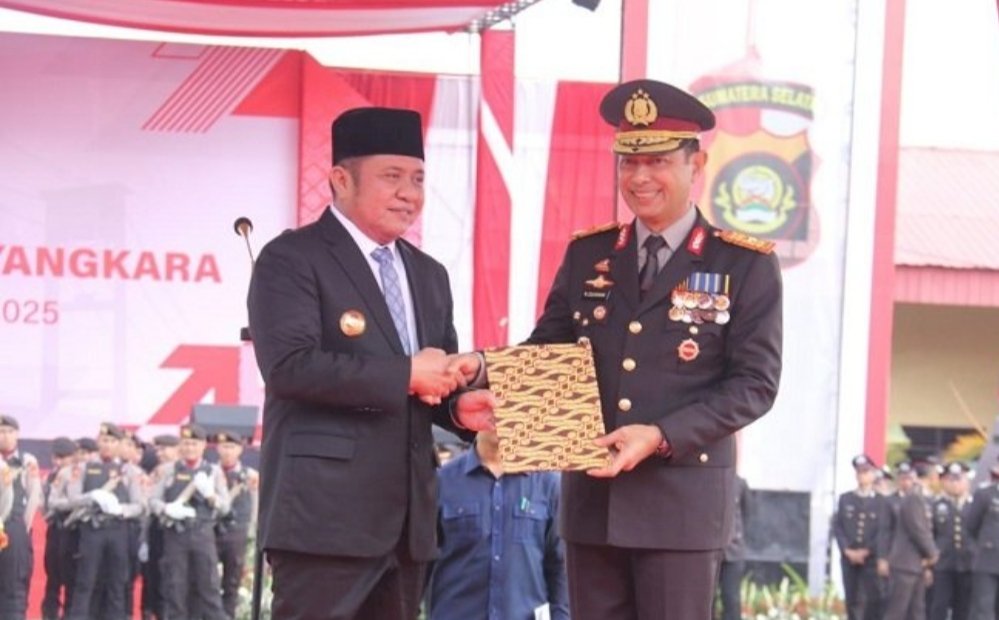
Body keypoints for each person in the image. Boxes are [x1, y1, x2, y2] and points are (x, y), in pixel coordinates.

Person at [456, 79, 783, 620]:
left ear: (697, 165)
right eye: (628, 163)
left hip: (681, 510)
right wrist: (483, 366)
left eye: (657, 162)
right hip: (593, 506)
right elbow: (548, 349)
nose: (639, 177)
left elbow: (755, 386)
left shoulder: (742, 264)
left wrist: (659, 435)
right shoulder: (591, 254)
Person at [247, 106, 487, 619]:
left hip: (408, 525)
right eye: (392, 177)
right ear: (341, 179)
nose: (409, 193)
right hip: (323, 521)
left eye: (418, 179)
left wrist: (458, 410)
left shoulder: (429, 274)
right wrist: (407, 373)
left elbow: (431, 381)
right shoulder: (292, 258)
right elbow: (290, 367)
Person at [427, 430, 569, 620]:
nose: (498, 419)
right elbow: (421, 565)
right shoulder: (442, 482)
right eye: (490, 414)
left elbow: (560, 568)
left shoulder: (548, 484)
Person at [64, 422, 146, 620]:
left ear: (119, 444)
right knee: (85, 581)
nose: (107, 445)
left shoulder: (130, 471)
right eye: (104, 440)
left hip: (118, 529)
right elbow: (72, 498)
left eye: (112, 441)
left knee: (117, 583)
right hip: (92, 529)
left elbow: (140, 505)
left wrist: (121, 510)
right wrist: (91, 496)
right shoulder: (83, 468)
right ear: (98, 442)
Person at [148, 423, 230, 620]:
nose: (189, 448)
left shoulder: (214, 472)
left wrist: (211, 496)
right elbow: (152, 500)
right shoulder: (167, 470)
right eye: (185, 443)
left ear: (203, 446)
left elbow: (225, 508)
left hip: (203, 534)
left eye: (194, 444)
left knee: (208, 588)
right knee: (175, 588)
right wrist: (166, 508)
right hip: (175, 535)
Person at [880, 460, 939, 620]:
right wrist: (932, 553)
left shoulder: (921, 497)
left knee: (916, 612)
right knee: (897, 611)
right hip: (905, 563)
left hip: (916, 564)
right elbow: (918, 530)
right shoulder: (914, 498)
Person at [212, 430, 259, 620]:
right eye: (223, 447)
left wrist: (252, 530)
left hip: (237, 533)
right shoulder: (210, 472)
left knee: (232, 581)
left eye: (231, 447)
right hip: (211, 532)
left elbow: (256, 505)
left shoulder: (250, 475)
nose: (227, 451)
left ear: (240, 450)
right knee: (208, 581)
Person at [0, 414, 43, 620]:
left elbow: (34, 497)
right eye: (1, 432)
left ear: (17, 434)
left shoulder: (27, 461)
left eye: (9, 432)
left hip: (13, 526)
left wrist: (20, 527)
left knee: (14, 581)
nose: (5, 436)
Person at [833, 455, 885, 620]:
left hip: (870, 559)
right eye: (859, 472)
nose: (862, 475)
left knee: (872, 600)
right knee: (852, 599)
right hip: (849, 558)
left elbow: (882, 530)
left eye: (866, 471)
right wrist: (847, 550)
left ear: (873, 474)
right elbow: (838, 527)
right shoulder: (846, 498)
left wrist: (867, 551)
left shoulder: (881, 501)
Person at [141, 433, 180, 620]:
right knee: (154, 574)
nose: (160, 453)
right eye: (158, 450)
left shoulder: (185, 469)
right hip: (157, 527)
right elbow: (148, 500)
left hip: (180, 531)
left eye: (164, 449)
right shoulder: (158, 471)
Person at [929, 461, 973, 620]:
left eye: (958, 479)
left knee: (963, 608)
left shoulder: (975, 504)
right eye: (950, 479)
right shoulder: (935, 505)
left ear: (966, 480)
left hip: (968, 564)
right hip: (942, 564)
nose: (955, 484)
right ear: (943, 481)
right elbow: (930, 534)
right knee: (939, 606)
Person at [41, 437, 78, 620]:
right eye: (56, 457)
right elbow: (43, 502)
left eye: (63, 457)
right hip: (54, 529)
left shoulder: (77, 475)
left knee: (71, 575)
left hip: (73, 530)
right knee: (52, 573)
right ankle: (50, 612)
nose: (58, 462)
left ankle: (69, 613)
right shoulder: (50, 477)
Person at [966, 460, 999, 620]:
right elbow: (971, 527)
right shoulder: (984, 495)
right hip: (987, 562)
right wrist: (977, 552)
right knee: (984, 611)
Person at [717, 475, 750, 620]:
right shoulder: (707, 482)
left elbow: (747, 514)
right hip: (710, 553)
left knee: (731, 597)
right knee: (707, 599)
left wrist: (737, 536)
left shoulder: (740, 484)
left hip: (734, 552)